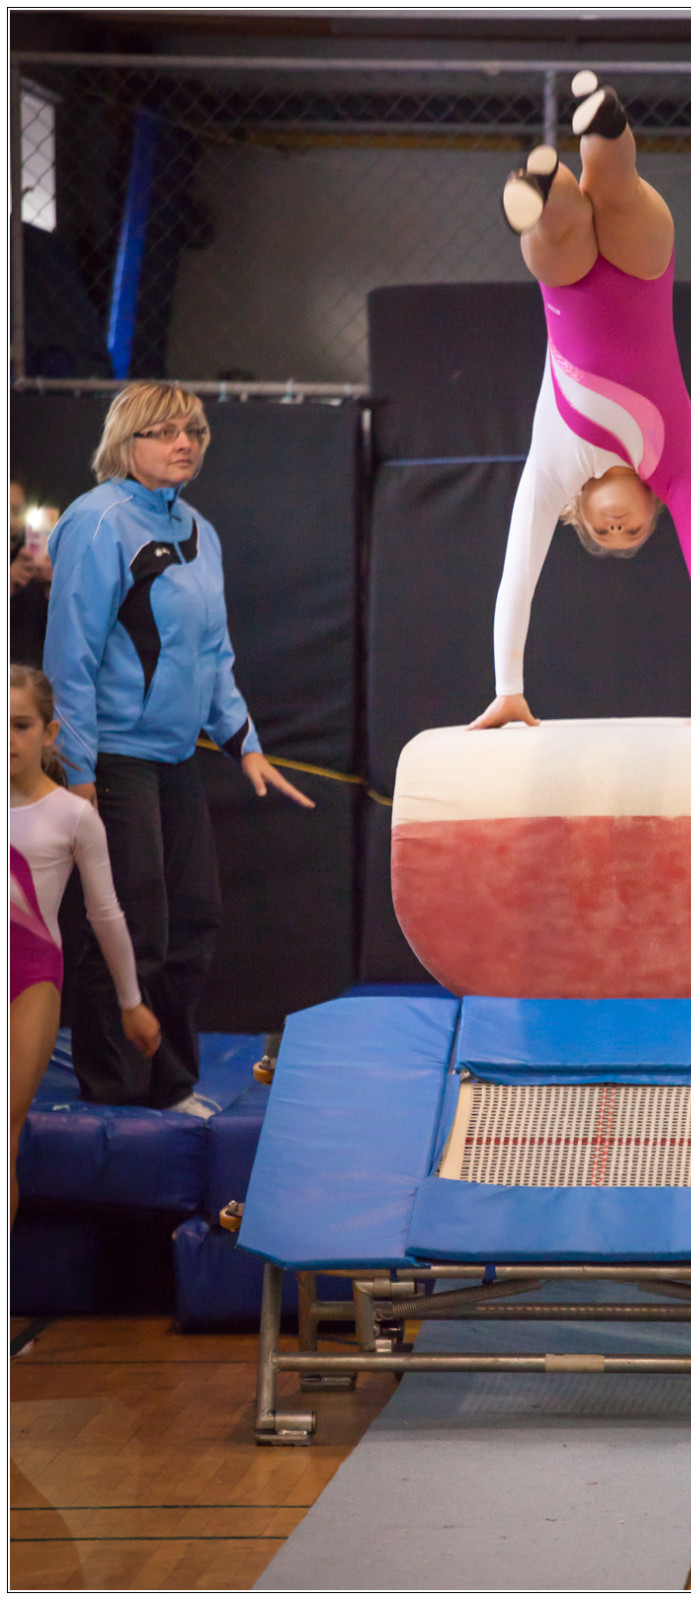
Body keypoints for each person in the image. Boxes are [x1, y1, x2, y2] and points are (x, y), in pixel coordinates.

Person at [43, 381, 313, 1114]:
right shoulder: (98, 521)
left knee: (193, 922)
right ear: (125, 441)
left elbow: (214, 653)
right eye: (163, 431)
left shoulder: (199, 530)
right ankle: (113, 1095)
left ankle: (169, 1087)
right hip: (115, 758)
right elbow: (70, 656)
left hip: (174, 758)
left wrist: (244, 742)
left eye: (192, 430)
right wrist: (78, 770)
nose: (183, 443)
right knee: (129, 929)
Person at [471, 72, 691, 732]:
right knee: (619, 193)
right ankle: (603, 119)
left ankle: (543, 187)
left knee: (560, 230)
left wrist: (508, 688)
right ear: (656, 509)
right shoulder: (675, 468)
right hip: (644, 270)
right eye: (632, 532)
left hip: (567, 284)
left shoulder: (553, 472)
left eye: (603, 532)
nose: (618, 527)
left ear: (581, 513)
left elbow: (518, 574)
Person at [10, 665, 161, 1217]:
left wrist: (131, 1002)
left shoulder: (73, 815)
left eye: (21, 725)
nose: (9, 739)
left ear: (50, 732)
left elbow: (106, 914)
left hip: (29, 982)